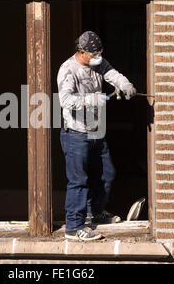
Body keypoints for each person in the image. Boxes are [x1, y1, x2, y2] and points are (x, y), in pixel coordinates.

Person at [57, 30, 137, 241]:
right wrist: (92, 99)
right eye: (93, 55)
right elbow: (65, 100)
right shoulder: (68, 70)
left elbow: (112, 73)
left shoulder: (97, 62)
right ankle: (74, 227)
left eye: (100, 54)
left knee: (106, 174)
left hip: (95, 132)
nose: (98, 58)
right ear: (82, 52)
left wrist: (125, 85)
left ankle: (95, 213)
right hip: (75, 133)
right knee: (79, 181)